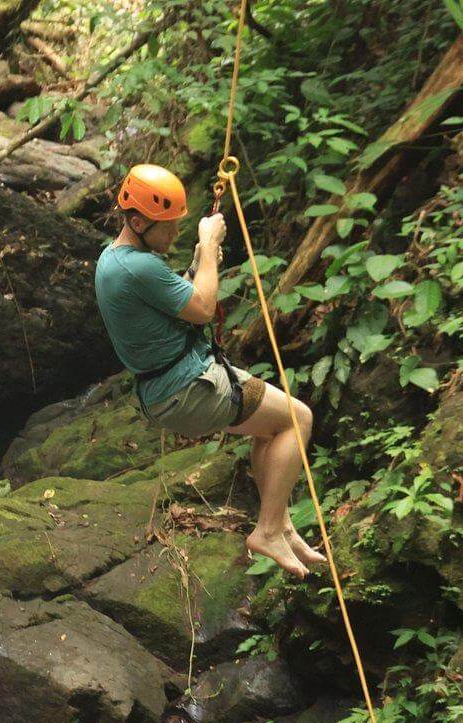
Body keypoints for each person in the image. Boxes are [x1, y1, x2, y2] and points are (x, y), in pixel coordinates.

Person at [94, 163, 325, 579]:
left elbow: (176, 299)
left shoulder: (115, 260)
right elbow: (201, 308)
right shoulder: (140, 267)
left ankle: (281, 524)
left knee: (269, 428)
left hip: (167, 391)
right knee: (298, 418)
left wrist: (200, 261)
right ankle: (269, 529)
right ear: (139, 220)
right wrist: (208, 241)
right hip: (189, 387)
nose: (176, 233)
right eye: (169, 225)